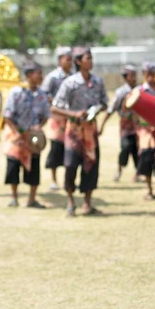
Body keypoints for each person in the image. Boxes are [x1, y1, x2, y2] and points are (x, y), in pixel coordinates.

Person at [52, 47, 108, 216]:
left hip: (90, 131)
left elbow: (105, 102)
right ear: (78, 62)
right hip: (74, 131)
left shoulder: (98, 82)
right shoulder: (69, 83)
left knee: (91, 166)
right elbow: (55, 107)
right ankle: (70, 201)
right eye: (87, 58)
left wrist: (96, 110)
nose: (91, 61)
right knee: (70, 165)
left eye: (91, 58)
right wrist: (74, 113)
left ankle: (87, 203)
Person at [2, 61, 50, 208]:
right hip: (16, 137)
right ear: (29, 75)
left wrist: (38, 127)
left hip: (33, 138)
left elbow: (45, 116)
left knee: (34, 167)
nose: (41, 77)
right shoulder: (16, 92)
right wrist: (17, 133)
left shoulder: (41, 95)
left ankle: (31, 199)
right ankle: (14, 197)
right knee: (13, 166)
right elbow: (7, 116)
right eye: (39, 74)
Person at [99, 64, 139, 183]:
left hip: (139, 126)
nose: (134, 78)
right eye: (132, 76)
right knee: (125, 148)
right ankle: (119, 170)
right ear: (126, 77)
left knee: (138, 150)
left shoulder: (139, 90)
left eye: (135, 76)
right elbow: (111, 109)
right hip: (126, 126)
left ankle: (138, 174)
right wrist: (102, 125)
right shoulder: (121, 92)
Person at [41, 49, 73, 190]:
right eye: (67, 59)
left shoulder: (73, 77)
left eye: (71, 59)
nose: (70, 62)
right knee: (56, 148)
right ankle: (54, 180)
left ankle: (69, 179)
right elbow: (44, 94)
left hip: (70, 118)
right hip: (57, 118)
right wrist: (58, 102)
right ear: (60, 60)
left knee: (70, 148)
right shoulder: (52, 77)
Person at [135, 62, 155, 200]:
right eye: (147, 73)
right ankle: (149, 189)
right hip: (146, 131)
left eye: (152, 73)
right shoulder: (139, 92)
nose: (150, 76)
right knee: (146, 159)